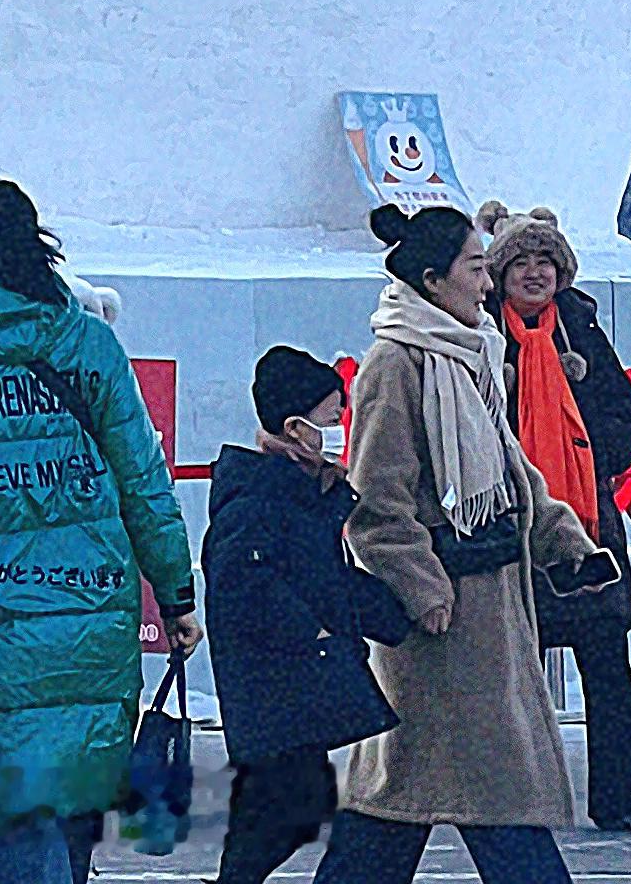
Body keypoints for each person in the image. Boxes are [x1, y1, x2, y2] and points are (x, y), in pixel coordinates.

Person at [0, 179, 196, 884]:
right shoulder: (88, 342)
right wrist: (176, 596)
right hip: (92, 625)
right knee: (66, 824)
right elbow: (144, 481)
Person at [319, 202, 604, 884]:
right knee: (486, 798)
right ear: (432, 279)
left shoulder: (472, 350)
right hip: (441, 629)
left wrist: (563, 537)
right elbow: (375, 501)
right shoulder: (398, 362)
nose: (488, 282)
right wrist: (423, 590)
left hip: (489, 612)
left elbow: (508, 471)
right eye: (476, 267)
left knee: (403, 800)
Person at [477, 207, 631, 836]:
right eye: (521, 262)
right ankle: (513, 798)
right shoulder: (481, 337)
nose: (535, 274)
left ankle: (624, 793)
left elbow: (624, 406)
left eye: (545, 262)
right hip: (513, 527)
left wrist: (594, 459)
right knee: (513, 670)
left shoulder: (582, 329)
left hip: (588, 525)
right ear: (500, 272)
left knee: (608, 667)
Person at [199, 349, 408, 884]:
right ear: (295, 429)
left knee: (280, 811)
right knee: (287, 809)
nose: (342, 429)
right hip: (273, 686)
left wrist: (396, 615)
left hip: (291, 686)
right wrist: (311, 634)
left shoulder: (302, 493)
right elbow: (242, 584)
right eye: (332, 418)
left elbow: (327, 579)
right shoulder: (259, 496)